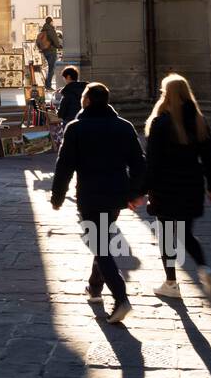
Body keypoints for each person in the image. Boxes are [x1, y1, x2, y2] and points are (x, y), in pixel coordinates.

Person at [50, 82, 147, 324]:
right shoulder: (124, 127)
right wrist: (136, 192)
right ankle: (94, 289)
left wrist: (57, 196)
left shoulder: (76, 128)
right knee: (100, 240)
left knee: (100, 246)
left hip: (90, 197)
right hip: (115, 197)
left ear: (88, 101)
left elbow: (64, 167)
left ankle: (121, 297)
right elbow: (139, 164)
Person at [145, 74, 211, 300]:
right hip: (192, 185)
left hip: (165, 187)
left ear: (166, 95)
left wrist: (140, 190)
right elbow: (209, 157)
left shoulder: (160, 123)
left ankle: (171, 282)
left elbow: (152, 163)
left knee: (168, 234)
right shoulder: (199, 121)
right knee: (185, 233)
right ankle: (205, 268)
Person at [36, 17, 60, 88]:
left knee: (49, 67)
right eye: (53, 21)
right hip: (51, 51)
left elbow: (38, 42)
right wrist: (58, 46)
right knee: (52, 68)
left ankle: (47, 83)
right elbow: (55, 41)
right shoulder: (51, 30)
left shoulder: (42, 31)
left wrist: (41, 49)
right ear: (51, 22)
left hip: (45, 51)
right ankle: (48, 85)